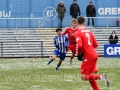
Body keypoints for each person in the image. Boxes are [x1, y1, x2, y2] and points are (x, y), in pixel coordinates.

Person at [74, 16, 109, 90]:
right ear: (85, 23)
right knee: (90, 76)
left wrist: (79, 54)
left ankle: (101, 76)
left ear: (77, 23)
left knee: (83, 77)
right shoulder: (89, 31)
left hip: (88, 56)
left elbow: (79, 45)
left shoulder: (77, 32)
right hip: (94, 54)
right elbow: (96, 45)